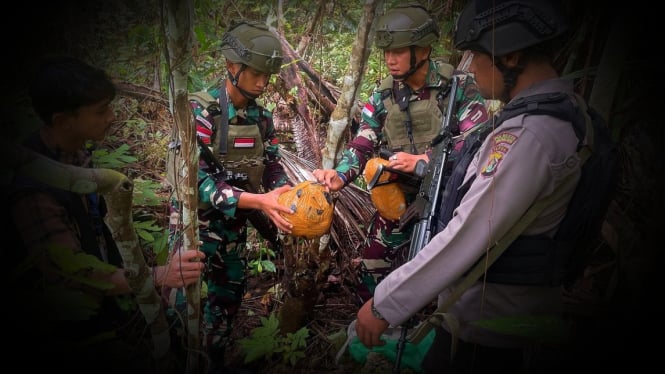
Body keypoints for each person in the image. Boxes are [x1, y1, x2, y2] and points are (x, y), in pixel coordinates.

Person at [355, 0, 585, 372]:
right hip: (495, 314)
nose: (473, 69)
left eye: (477, 56)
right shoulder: (562, 115)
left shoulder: (529, 135)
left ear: (509, 58)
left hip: (488, 328)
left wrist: (386, 305)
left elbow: (470, 232)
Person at [8, 55, 206, 373]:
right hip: (76, 330)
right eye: (101, 111)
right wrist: (157, 276)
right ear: (62, 121)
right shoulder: (35, 192)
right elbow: (72, 274)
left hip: (117, 306)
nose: (112, 117)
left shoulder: (77, 154)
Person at [312, 3, 488, 304]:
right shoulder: (383, 95)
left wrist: (425, 161)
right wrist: (340, 175)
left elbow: (478, 142)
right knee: (371, 269)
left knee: (448, 279)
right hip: (401, 198)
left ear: (422, 50)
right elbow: (364, 141)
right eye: (387, 53)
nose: (390, 60)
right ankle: (371, 334)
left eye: (398, 52)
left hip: (451, 199)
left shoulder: (457, 86)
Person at [167, 20, 294, 372]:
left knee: (227, 302)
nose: (262, 82)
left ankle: (215, 359)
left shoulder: (262, 118)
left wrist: (281, 190)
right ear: (232, 66)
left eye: (268, 75)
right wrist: (260, 203)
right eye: (255, 73)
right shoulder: (200, 112)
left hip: (234, 228)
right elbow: (197, 183)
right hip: (196, 225)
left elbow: (271, 164)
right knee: (181, 305)